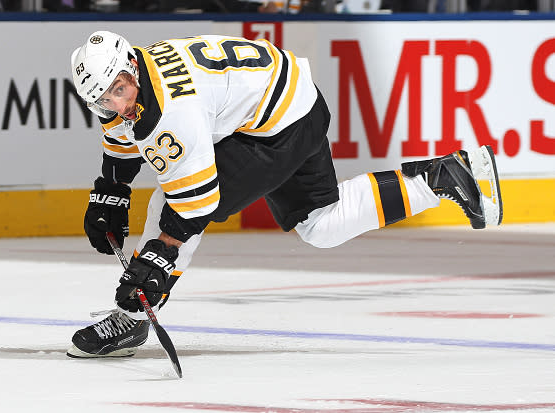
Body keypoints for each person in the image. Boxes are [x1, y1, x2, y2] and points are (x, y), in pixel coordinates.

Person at [66, 31, 503, 358]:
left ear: (131, 69)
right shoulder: (137, 72)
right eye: (103, 101)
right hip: (298, 101)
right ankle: (442, 178)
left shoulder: (170, 109)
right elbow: (125, 130)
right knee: (323, 224)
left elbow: (196, 201)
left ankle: (134, 318)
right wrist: (111, 188)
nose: (116, 105)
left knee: (172, 201)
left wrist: (158, 260)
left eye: (119, 91)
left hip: (277, 127)